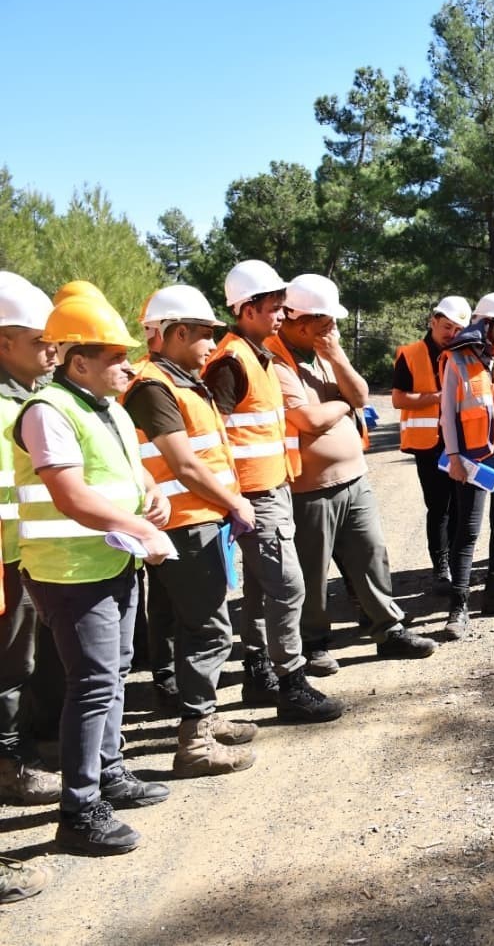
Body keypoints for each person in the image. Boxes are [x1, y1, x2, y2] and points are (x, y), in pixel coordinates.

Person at [13, 281, 174, 854]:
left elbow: (131, 474)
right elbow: (71, 496)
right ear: (79, 361)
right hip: (70, 571)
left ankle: (109, 772)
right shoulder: (48, 410)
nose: (129, 366)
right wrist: (142, 528)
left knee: (114, 672)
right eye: (116, 357)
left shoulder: (105, 408)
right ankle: (79, 812)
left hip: (111, 562)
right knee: (92, 684)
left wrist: (152, 495)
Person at [121, 285, 259, 777]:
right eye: (204, 335)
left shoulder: (176, 378)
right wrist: (235, 502)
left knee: (191, 626)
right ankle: (196, 742)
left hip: (192, 522)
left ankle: (204, 716)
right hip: (183, 524)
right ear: (177, 333)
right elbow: (182, 463)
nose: (210, 346)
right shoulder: (153, 385)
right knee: (208, 627)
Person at [268, 274, 435, 668]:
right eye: (327, 324)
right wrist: (344, 405)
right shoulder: (275, 361)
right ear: (303, 321)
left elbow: (360, 394)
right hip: (308, 486)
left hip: (354, 478)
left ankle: (389, 629)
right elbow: (308, 419)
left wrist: (338, 360)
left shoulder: (326, 353)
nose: (334, 331)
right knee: (311, 568)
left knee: (371, 554)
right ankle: (314, 642)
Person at [202, 260, 342, 722]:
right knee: (288, 588)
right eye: (273, 308)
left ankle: (259, 675)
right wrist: (232, 498)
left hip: (272, 486)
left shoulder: (257, 355)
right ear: (246, 309)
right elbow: (213, 432)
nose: (281, 316)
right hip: (253, 494)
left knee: (264, 590)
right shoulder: (231, 361)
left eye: (283, 308)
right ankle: (291, 683)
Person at [0, 276, 61, 806]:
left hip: (33, 556)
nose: (54, 350)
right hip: (5, 561)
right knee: (11, 666)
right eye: (41, 341)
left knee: (35, 661)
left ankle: (40, 744)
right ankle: (12, 766)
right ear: (4, 343)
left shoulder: (35, 398)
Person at [438, 293, 494, 636]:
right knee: (468, 531)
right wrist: (456, 457)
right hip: (474, 458)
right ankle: (458, 607)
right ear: (490, 327)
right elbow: (447, 414)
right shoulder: (456, 361)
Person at [391, 296, 471, 595]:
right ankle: (440, 568)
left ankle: (456, 562)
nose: (451, 333)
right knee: (439, 507)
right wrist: (439, 397)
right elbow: (399, 398)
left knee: (461, 506)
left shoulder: (465, 353)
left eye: (457, 328)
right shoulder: (410, 354)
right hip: (429, 445)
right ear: (433, 321)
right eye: (447, 326)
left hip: (462, 442)